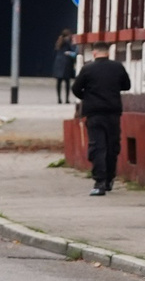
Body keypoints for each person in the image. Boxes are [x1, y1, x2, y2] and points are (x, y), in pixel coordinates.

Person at [71, 44, 133, 196]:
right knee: (112, 147)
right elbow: (127, 85)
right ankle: (110, 179)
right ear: (108, 52)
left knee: (98, 146)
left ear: (94, 53)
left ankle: (99, 182)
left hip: (94, 113)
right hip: (113, 112)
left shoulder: (87, 69)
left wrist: (88, 97)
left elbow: (76, 88)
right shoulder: (117, 67)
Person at [52, 33, 79, 104]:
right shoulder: (68, 42)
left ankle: (59, 99)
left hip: (58, 64)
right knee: (67, 82)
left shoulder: (59, 42)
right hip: (66, 63)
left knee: (59, 83)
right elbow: (74, 51)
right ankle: (67, 99)